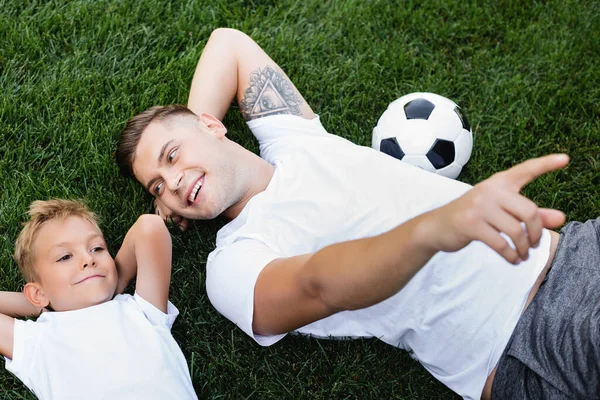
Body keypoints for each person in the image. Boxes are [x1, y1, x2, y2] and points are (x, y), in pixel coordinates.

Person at [115, 28, 598, 399]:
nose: (173, 183)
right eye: (158, 185)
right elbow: (319, 284)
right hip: (528, 342)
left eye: (172, 156)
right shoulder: (232, 264)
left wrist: (200, 136)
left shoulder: (293, 139)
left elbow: (229, 45)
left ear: (211, 124)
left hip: (575, 249)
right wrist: (431, 231)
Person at [0, 199, 198, 400]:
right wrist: (40, 305)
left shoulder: (141, 310)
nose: (88, 259)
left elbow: (150, 227)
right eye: (65, 257)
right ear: (37, 294)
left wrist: (112, 284)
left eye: (97, 248)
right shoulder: (38, 341)